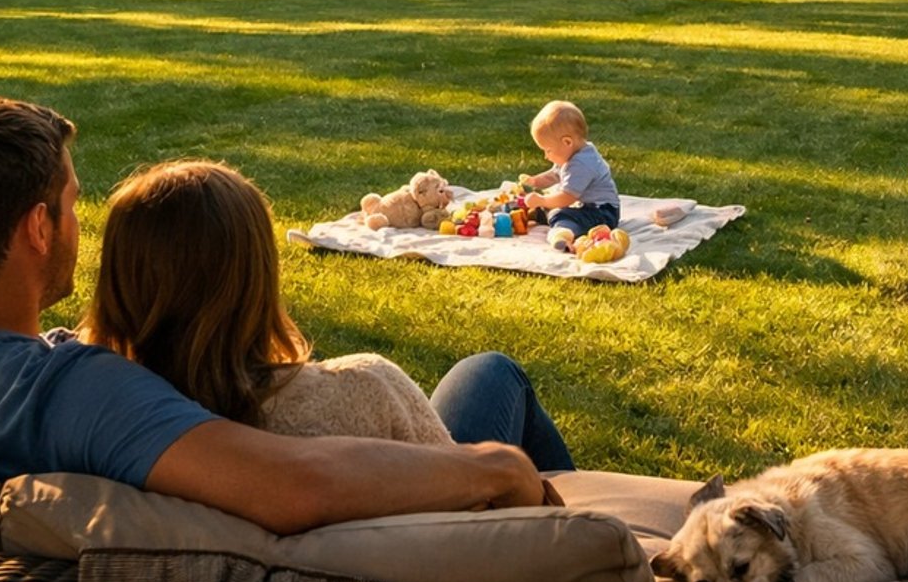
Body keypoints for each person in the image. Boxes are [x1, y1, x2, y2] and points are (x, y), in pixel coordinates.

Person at [0, 98, 546, 534]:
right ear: (37, 228)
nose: (79, 226)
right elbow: (298, 484)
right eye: (72, 206)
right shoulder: (69, 393)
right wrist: (497, 466)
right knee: (491, 375)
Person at [82, 159, 573, 469]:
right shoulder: (362, 392)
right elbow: (471, 504)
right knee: (491, 373)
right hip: (432, 577)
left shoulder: (90, 419)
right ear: (255, 278)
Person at [519, 99, 621, 252]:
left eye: (548, 150)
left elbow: (567, 197)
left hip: (601, 213)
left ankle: (563, 234)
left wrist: (542, 200)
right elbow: (554, 175)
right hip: (587, 207)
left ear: (567, 142)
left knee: (561, 214)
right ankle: (538, 213)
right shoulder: (572, 154)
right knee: (551, 206)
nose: (546, 156)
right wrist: (534, 181)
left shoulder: (582, 164)